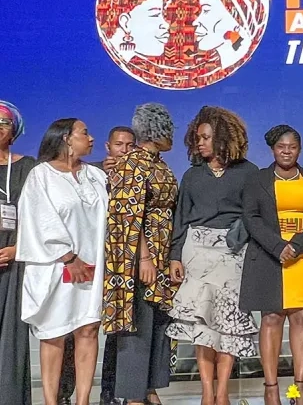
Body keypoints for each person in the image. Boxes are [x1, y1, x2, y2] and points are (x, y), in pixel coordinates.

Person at [167, 106, 259, 405]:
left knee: (227, 324)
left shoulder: (248, 172)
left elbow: (255, 215)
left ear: (222, 138)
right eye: (197, 138)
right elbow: (180, 218)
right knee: (201, 324)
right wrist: (175, 256)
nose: (200, 143)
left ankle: (223, 392)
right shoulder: (192, 176)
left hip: (232, 254)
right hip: (197, 251)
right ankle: (207, 391)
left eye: (206, 137)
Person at [17, 118, 108, 405]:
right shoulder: (40, 176)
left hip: (92, 266)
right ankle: (50, 401)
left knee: (88, 328)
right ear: (67, 138)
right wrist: (69, 257)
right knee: (54, 333)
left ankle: (83, 400)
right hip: (57, 266)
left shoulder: (95, 175)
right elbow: (39, 219)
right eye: (85, 133)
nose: (91, 138)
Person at [240, 124, 303, 405]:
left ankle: (300, 387)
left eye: (292, 147)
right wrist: (279, 247)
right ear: (272, 150)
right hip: (271, 257)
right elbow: (251, 218)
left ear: (299, 150)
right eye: (282, 147)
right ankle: (271, 387)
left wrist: (299, 245)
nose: (287, 151)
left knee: (302, 316)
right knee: (271, 317)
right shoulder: (258, 180)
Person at [102, 103, 179, 405]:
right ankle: (133, 395)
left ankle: (150, 387)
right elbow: (129, 214)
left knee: (158, 321)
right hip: (138, 256)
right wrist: (144, 258)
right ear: (155, 131)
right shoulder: (132, 163)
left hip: (162, 251)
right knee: (137, 322)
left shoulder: (159, 164)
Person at [59, 125, 136, 405]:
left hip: (120, 262)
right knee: (75, 326)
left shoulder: (137, 176)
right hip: (87, 261)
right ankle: (64, 391)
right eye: (119, 145)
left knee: (115, 330)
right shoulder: (91, 173)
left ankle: (111, 393)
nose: (124, 150)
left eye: (130, 145)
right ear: (108, 147)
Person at [0, 100, 36, 405]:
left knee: (10, 339)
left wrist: (17, 247)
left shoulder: (29, 167)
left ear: (15, 131)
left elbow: (40, 217)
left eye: (4, 122)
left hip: (13, 262)